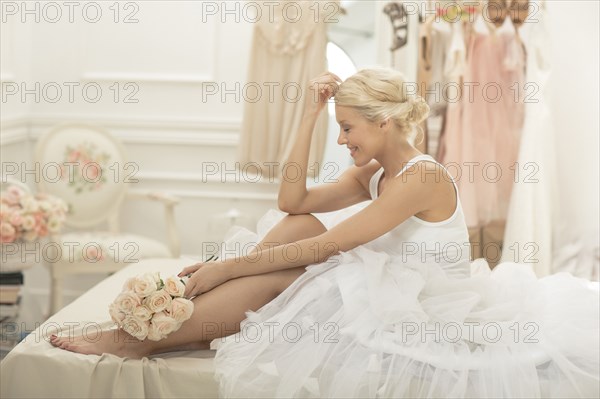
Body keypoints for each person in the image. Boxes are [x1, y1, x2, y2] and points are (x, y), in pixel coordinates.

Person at [50, 68, 599, 398]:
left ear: (384, 123)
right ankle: (173, 322)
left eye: (347, 127)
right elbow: (291, 201)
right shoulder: (376, 171)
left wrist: (224, 265)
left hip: (426, 308)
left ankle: (145, 335)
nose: (342, 140)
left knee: (304, 259)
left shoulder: (422, 176)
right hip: (389, 282)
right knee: (296, 225)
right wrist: (310, 115)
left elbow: (335, 244)